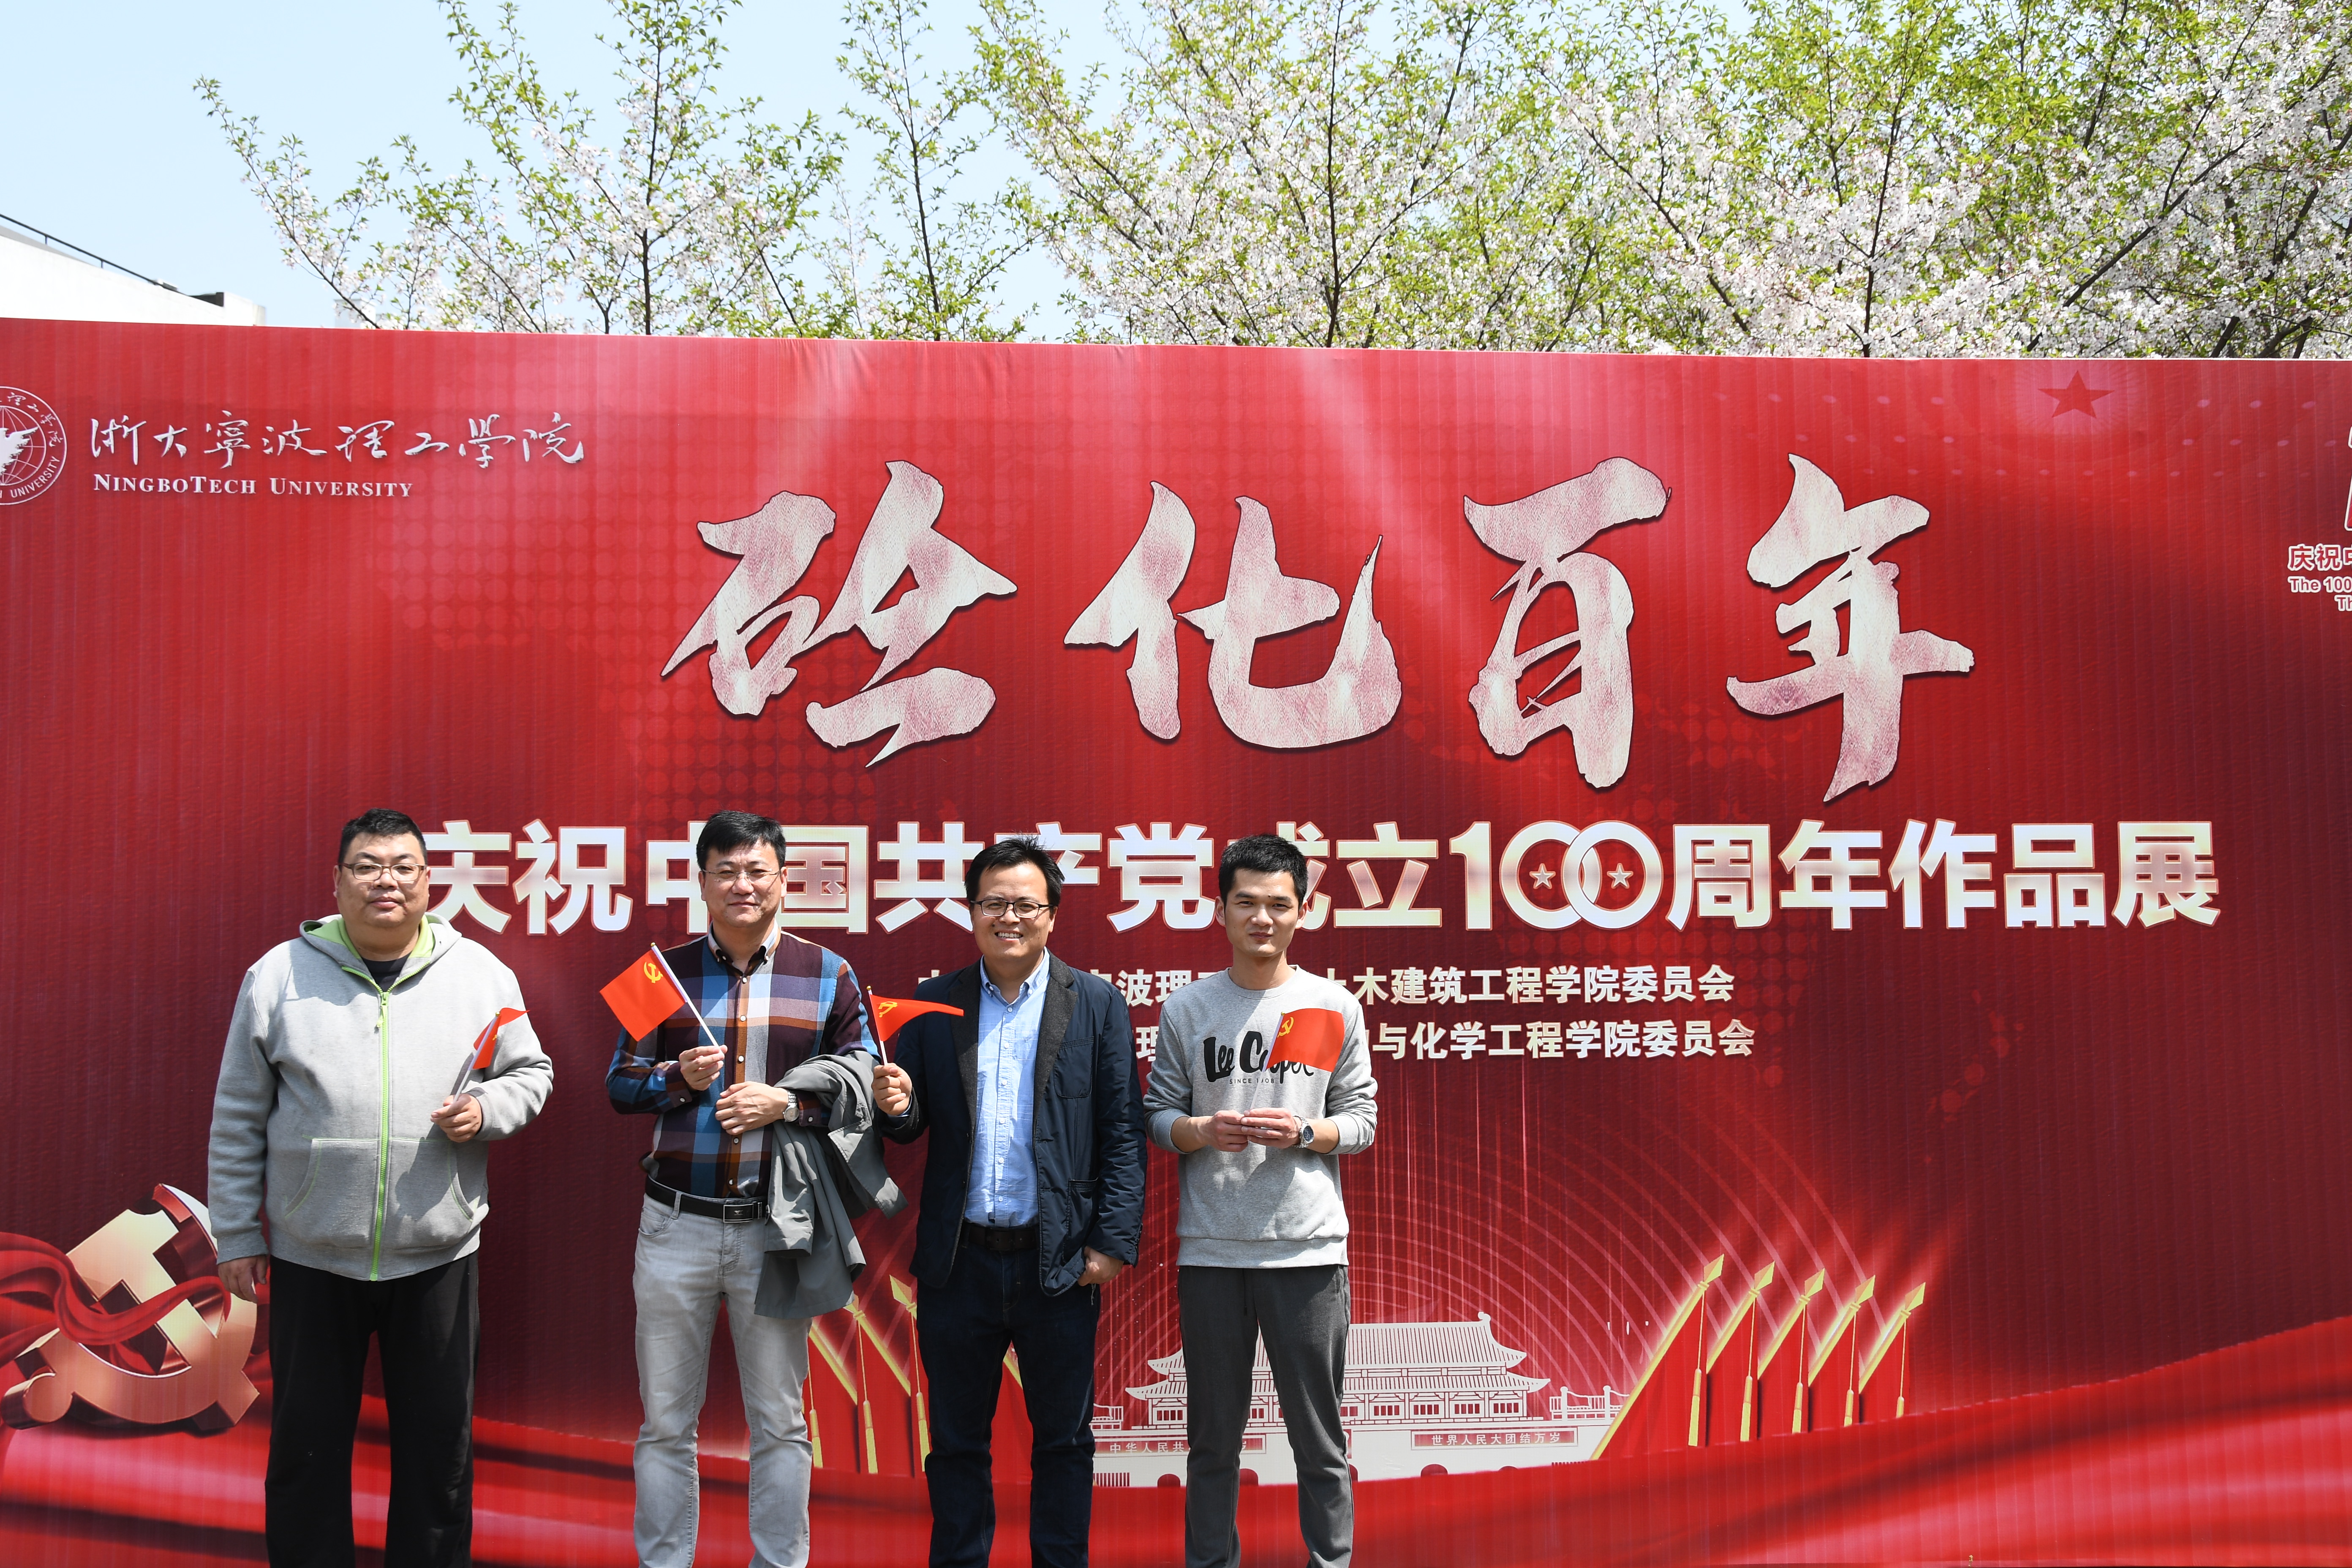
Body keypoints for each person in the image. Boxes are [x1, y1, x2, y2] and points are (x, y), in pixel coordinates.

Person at [208, 807, 553, 1568]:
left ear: (429, 881)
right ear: (337, 882)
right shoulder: (278, 976)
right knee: (305, 1454)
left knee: (438, 1458)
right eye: (367, 867)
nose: (385, 881)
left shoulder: (480, 974)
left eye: (402, 867)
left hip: (437, 1251)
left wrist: (486, 1109)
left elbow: (533, 1073)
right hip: (311, 1253)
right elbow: (238, 1114)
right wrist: (235, 1232)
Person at [607, 810, 876, 1568]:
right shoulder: (660, 973)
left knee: (781, 1422)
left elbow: (860, 1085)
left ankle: (780, 1562)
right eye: (725, 872)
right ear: (701, 883)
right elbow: (618, 1084)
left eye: (757, 871)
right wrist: (675, 1078)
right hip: (676, 1224)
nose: (742, 885)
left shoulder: (828, 973)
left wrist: (785, 1103)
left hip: (776, 1227)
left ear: (784, 880)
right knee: (665, 1423)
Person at [871, 837, 1147, 1568]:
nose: (1009, 917)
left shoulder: (1095, 1003)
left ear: (1053, 914)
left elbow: (1123, 1129)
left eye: (1026, 904)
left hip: (1058, 1263)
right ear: (971, 912)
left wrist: (1112, 1243)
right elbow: (910, 1123)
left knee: (1064, 1441)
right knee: (956, 1444)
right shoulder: (937, 1002)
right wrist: (895, 1104)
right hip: (959, 1262)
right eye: (993, 903)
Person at [1145, 834, 1378, 1568]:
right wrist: (1198, 1130)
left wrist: (1308, 1131)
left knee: (1320, 1440)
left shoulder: (1332, 1004)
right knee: (1213, 1442)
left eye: (1279, 904)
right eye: (1245, 902)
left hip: (1308, 1252)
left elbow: (1362, 1120)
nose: (1262, 918)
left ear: (1304, 910)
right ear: (1220, 911)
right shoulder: (1188, 1008)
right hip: (1212, 1253)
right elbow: (1156, 1115)